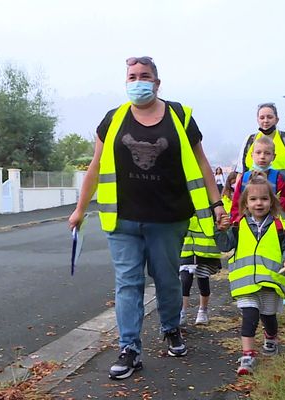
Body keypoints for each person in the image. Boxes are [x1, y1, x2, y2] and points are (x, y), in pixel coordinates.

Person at [68, 56, 226, 380]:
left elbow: (203, 164)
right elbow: (95, 167)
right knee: (128, 283)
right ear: (126, 81)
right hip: (122, 220)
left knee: (167, 280)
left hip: (169, 220)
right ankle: (130, 349)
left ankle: (171, 328)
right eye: (132, 76)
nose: (138, 81)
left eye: (145, 76)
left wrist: (217, 203)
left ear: (157, 82)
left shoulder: (180, 117)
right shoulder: (113, 120)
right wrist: (80, 209)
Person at [215, 174, 285, 375]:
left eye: (264, 199)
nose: (259, 203)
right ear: (245, 203)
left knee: (268, 316)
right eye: (253, 199)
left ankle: (270, 336)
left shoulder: (280, 226)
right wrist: (219, 230)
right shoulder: (237, 226)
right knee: (250, 316)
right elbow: (225, 246)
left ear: (272, 202)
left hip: (269, 281)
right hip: (245, 284)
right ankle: (248, 356)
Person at [234, 103, 285, 221]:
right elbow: (240, 173)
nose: (266, 121)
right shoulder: (249, 141)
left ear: (277, 119)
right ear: (257, 119)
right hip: (254, 203)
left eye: (269, 117)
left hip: (283, 203)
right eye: (262, 117)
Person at [230, 136, 285, 224]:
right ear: (252, 155)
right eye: (258, 152)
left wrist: (277, 202)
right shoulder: (244, 179)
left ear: (273, 156)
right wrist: (236, 224)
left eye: (267, 153)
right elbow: (236, 205)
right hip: (248, 229)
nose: (262, 156)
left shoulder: (281, 179)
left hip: (276, 230)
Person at [179, 215, 222, 326]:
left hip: (204, 249)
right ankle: (181, 313)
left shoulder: (206, 201)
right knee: (185, 280)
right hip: (186, 248)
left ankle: (203, 311)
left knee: (203, 279)